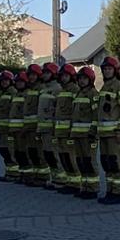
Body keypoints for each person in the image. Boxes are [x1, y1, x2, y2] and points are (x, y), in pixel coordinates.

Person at [95, 55, 120, 204]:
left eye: (109, 69)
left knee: (116, 163)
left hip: (114, 134)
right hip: (104, 134)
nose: (107, 71)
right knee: (107, 163)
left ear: (115, 70)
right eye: (105, 69)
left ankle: (119, 193)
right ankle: (110, 190)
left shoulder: (119, 86)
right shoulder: (104, 87)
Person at [69, 65, 101, 199]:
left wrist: (93, 132)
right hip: (77, 135)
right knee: (80, 161)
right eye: (80, 79)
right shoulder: (78, 93)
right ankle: (85, 187)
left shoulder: (93, 94)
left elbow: (96, 114)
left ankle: (93, 189)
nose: (81, 81)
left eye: (84, 79)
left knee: (89, 161)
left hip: (88, 136)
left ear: (90, 79)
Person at [52, 63, 80, 192]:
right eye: (62, 76)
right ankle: (69, 182)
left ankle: (76, 184)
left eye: (66, 76)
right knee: (64, 158)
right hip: (60, 131)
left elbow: (76, 111)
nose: (63, 78)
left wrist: (72, 130)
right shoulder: (62, 91)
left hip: (69, 131)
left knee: (71, 157)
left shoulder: (75, 90)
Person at [36, 62, 63, 191]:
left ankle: (60, 180)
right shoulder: (43, 89)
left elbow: (59, 109)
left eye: (47, 73)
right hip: (43, 129)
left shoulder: (58, 89)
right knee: (48, 155)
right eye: (44, 73)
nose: (44, 75)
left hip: (52, 129)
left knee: (54, 155)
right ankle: (53, 178)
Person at [0, 70, 19, 182]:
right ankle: (9, 172)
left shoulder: (13, 92)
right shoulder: (1, 93)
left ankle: (15, 173)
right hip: (1, 129)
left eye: (6, 80)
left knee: (10, 150)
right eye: (2, 81)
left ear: (11, 81)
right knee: (3, 150)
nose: (4, 82)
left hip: (9, 128)